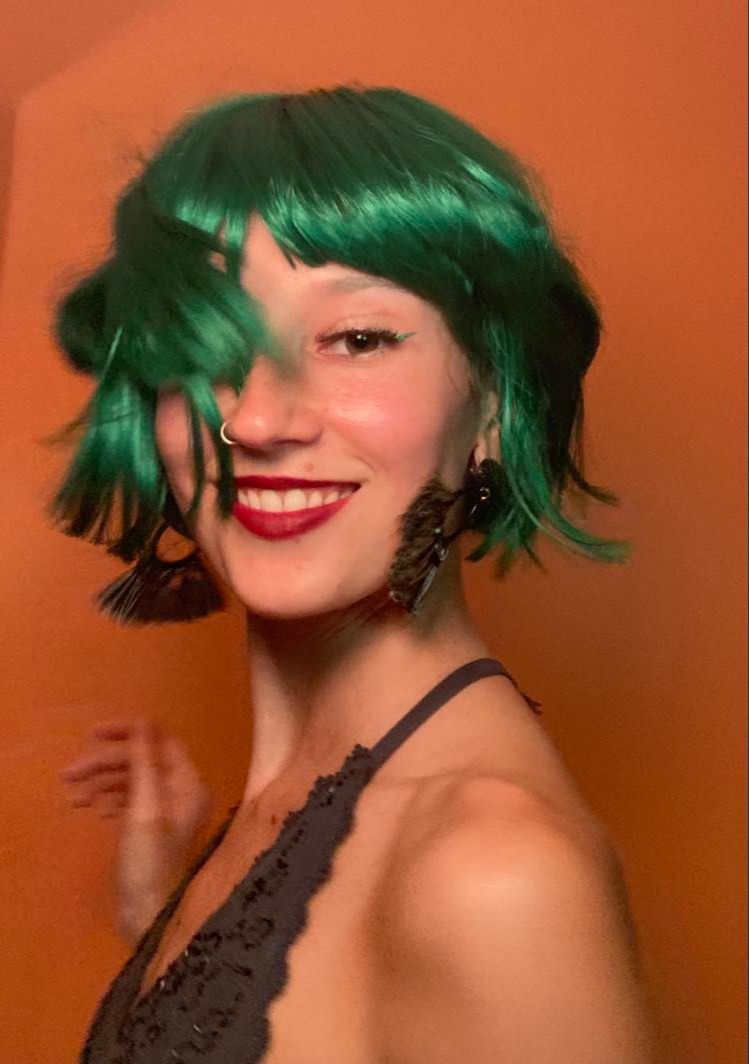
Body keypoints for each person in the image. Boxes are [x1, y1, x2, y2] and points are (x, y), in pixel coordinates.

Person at [55, 84, 658, 1062]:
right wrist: (158, 913)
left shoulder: (491, 878)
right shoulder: (313, 798)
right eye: (208, 344)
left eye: (357, 339)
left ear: (495, 404)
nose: (256, 419)